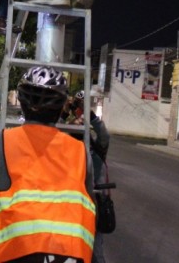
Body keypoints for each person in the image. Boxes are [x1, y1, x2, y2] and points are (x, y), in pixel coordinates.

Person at [0, 66, 96, 263]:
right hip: (71, 253)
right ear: (61, 108)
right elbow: (91, 202)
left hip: (15, 252)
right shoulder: (80, 151)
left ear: (23, 103)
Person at [63, 91, 111, 263]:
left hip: (93, 203)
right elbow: (53, 132)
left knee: (96, 252)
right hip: (72, 204)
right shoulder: (64, 151)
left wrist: (88, 113)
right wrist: (64, 112)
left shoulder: (96, 150)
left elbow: (104, 135)